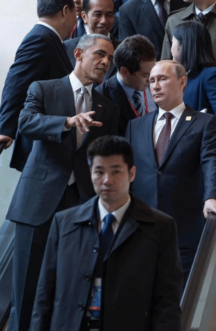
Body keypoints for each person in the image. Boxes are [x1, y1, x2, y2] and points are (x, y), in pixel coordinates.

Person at [6, 34, 119, 331]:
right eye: (100, 54)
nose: (106, 62)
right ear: (79, 53)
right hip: (37, 202)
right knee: (26, 289)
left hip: (81, 205)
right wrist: (66, 122)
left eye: (110, 58)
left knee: (69, 289)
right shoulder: (43, 88)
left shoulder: (108, 107)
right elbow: (26, 123)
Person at [29, 135, 182, 331]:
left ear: (132, 174)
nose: (107, 180)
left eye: (116, 171)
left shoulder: (160, 226)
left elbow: (167, 301)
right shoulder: (64, 223)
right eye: (99, 172)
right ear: (90, 174)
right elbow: (44, 295)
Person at [125, 60, 216, 283]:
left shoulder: (205, 123)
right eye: (151, 80)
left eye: (162, 78)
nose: (155, 86)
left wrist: (213, 197)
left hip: (183, 231)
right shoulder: (136, 126)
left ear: (182, 82)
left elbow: (212, 161)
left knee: (177, 303)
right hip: (140, 230)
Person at [0, 0, 76, 172]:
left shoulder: (50, 39)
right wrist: (4, 129)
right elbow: (16, 84)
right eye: (76, 9)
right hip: (37, 149)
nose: (77, 16)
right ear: (66, 10)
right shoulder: (40, 39)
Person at [170, 22, 216, 149]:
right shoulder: (177, 75)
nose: (170, 47)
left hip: (199, 145)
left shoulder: (210, 74)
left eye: (172, 42)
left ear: (184, 45)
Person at [96, 36, 158, 136]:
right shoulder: (101, 98)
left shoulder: (156, 85)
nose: (151, 80)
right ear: (124, 72)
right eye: (145, 75)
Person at [64, 0, 120, 83]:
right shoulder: (66, 48)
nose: (104, 21)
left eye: (109, 15)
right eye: (98, 14)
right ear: (84, 16)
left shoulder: (123, 50)